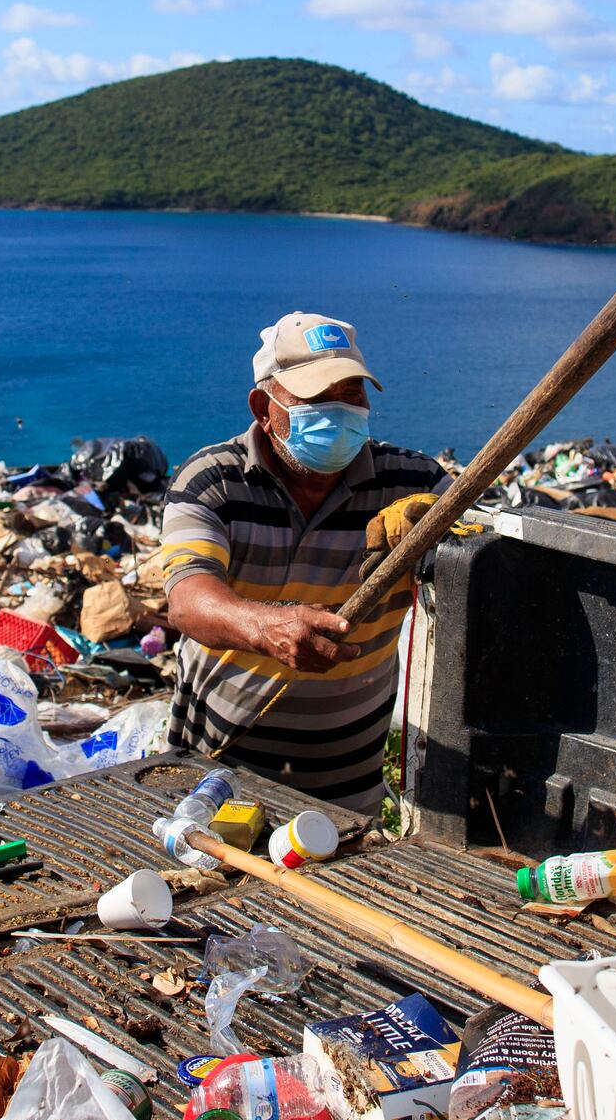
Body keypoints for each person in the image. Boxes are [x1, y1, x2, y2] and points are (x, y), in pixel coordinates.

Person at [158, 313, 445, 814]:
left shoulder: (413, 485)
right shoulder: (214, 481)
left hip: (349, 779)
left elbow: (491, 554)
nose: (339, 411)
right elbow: (188, 601)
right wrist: (268, 626)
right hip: (218, 768)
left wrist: (447, 538)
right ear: (263, 407)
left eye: (352, 393)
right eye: (316, 397)